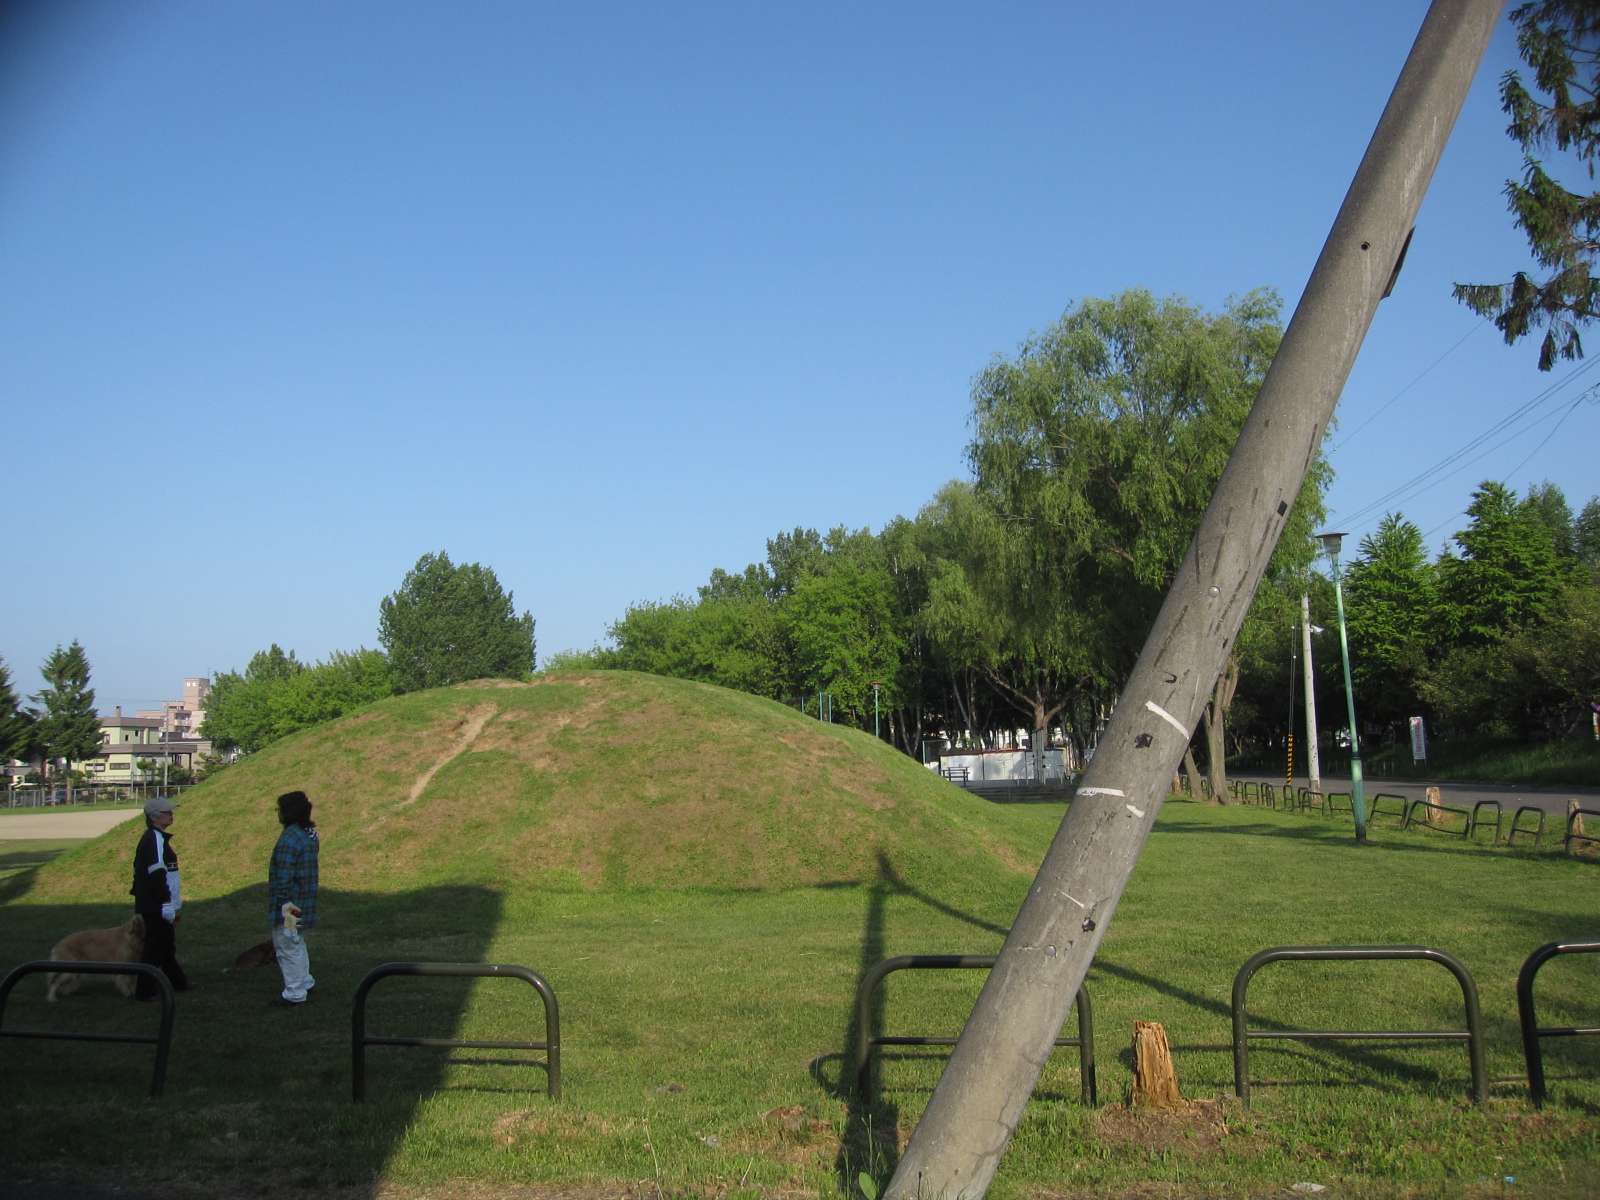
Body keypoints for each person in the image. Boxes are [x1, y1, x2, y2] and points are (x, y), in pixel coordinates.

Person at [130, 796, 190, 1000]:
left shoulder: (157, 836)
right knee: (154, 947)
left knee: (165, 945)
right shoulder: (154, 838)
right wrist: (165, 902)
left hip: (157, 901)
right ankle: (144, 990)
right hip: (155, 902)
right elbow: (156, 871)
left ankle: (178, 982)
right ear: (154, 817)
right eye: (166, 812)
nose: (171, 814)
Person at [267, 790, 319, 1008]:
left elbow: (285, 877)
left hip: (290, 905)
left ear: (288, 812)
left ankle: (295, 993)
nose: (277, 814)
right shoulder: (307, 834)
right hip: (304, 900)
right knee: (296, 941)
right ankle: (305, 981)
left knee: (287, 945)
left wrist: (283, 905)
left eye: (279, 809)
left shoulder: (289, 838)